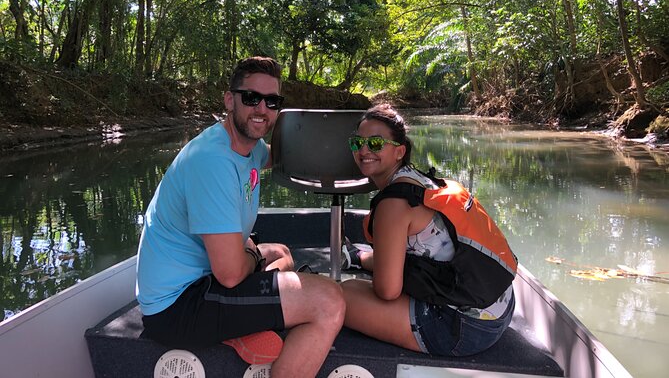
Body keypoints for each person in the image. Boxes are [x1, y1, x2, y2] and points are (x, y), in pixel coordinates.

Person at [136, 56, 345, 378]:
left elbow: (280, 156)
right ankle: (234, 326)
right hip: (178, 307)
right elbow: (231, 276)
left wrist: (356, 151)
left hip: (204, 280)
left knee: (280, 254)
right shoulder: (211, 162)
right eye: (251, 98)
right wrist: (248, 250)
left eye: (272, 101)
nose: (261, 109)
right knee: (329, 300)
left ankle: (237, 329)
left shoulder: (246, 146)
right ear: (229, 99)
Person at [340, 103, 516, 357]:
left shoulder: (393, 204)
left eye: (376, 143)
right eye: (358, 143)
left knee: (343, 294)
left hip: (466, 329)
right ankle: (359, 258)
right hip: (502, 308)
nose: (364, 150)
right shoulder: (423, 181)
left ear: (399, 151)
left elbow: (387, 292)